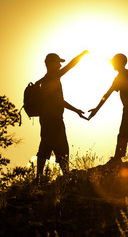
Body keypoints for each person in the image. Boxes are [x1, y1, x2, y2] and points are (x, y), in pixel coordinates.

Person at [35, 51, 89, 179]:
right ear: (51, 64)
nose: (60, 65)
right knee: (62, 147)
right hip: (54, 120)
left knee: (45, 145)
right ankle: (66, 177)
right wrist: (76, 111)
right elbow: (70, 65)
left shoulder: (45, 80)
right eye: (58, 63)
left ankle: (39, 178)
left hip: (46, 119)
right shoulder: (52, 78)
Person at [88, 53, 128, 164]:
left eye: (114, 62)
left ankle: (120, 158)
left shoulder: (124, 75)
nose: (112, 64)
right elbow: (107, 94)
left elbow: (107, 94)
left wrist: (96, 110)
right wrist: (96, 110)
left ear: (120, 63)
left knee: (126, 134)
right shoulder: (123, 74)